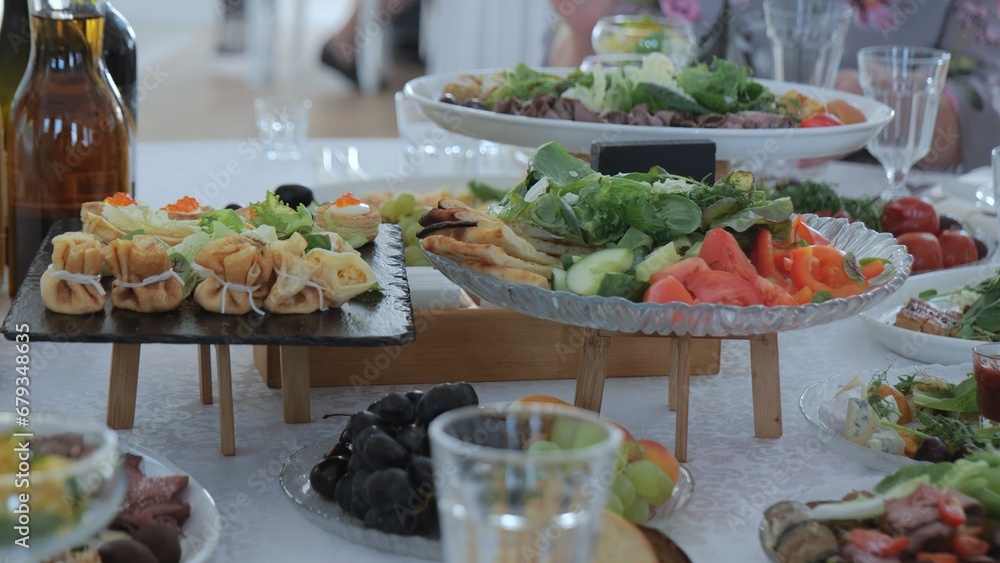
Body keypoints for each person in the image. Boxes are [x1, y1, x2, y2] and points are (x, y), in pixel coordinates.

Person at [547, 0, 1000, 169]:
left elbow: (991, 92)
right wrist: (583, 25)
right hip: (689, 190)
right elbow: (573, 70)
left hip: (876, 209)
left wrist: (893, 103)